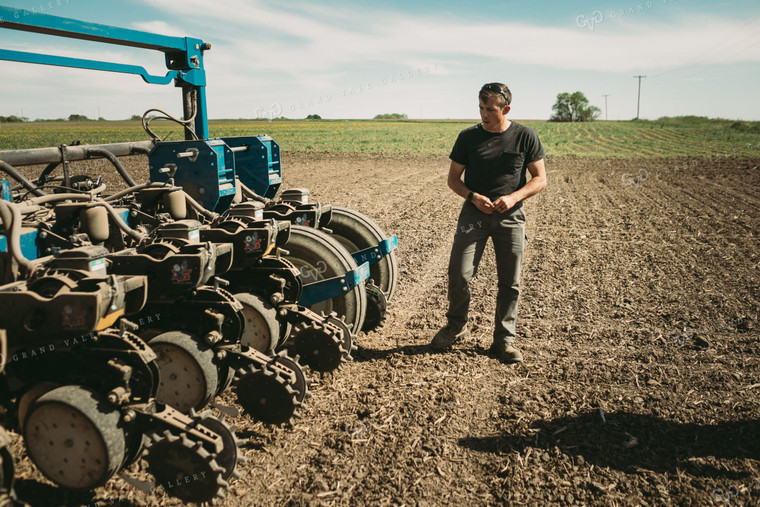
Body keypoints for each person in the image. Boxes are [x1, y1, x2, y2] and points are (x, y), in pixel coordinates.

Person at [430, 82, 547, 363]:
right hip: (474, 216)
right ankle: (456, 326)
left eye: (490, 109)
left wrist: (514, 197)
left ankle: (503, 340)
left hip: (511, 217)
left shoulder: (525, 136)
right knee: (459, 272)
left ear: (506, 109)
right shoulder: (467, 138)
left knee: (510, 282)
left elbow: (540, 179)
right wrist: (472, 197)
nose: (484, 114)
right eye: (481, 108)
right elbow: (453, 179)